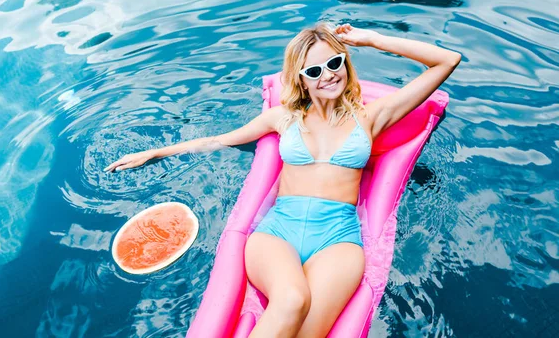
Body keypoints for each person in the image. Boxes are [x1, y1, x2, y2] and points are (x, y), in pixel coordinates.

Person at [104, 23, 461, 337]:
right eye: (315, 69)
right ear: (301, 78)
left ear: (345, 64)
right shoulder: (283, 117)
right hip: (277, 232)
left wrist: (372, 39)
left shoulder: (371, 117)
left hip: (337, 240)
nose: (328, 75)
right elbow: (219, 140)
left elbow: (447, 60)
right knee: (291, 299)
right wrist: (154, 153)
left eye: (335, 63)